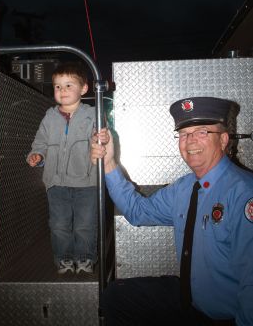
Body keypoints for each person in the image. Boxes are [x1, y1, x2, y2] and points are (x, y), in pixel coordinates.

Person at [91, 96, 253, 326]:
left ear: (224, 140)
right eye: (184, 134)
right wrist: (108, 163)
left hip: (225, 316)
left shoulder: (244, 194)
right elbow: (138, 211)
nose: (191, 141)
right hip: (189, 300)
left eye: (203, 132)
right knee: (116, 297)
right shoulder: (184, 188)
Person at [27, 61, 107, 275]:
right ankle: (63, 259)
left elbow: (103, 140)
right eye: (57, 86)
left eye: (69, 85)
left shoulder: (93, 114)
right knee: (59, 225)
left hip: (86, 182)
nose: (62, 90)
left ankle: (85, 258)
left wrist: (103, 138)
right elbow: (40, 142)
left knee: (85, 224)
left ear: (84, 88)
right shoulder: (49, 116)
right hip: (56, 183)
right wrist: (37, 155)